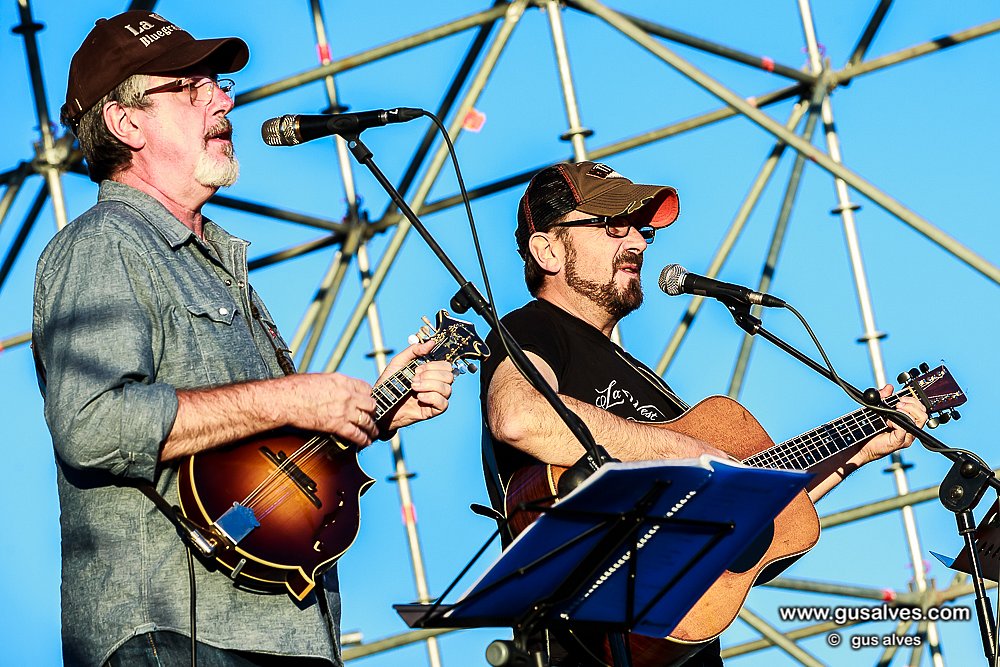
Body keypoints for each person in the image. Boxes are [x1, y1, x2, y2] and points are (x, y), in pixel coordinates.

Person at [33, 11, 456, 667]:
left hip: (282, 632)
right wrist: (288, 398)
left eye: (219, 84)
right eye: (190, 86)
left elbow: (259, 452)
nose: (223, 96)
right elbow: (92, 424)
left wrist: (372, 408)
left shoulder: (224, 270)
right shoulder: (103, 243)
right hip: (172, 632)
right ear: (126, 123)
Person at [478, 161, 929, 666]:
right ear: (548, 250)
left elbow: (750, 506)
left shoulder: (649, 385)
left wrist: (856, 450)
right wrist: (686, 451)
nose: (638, 244)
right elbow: (519, 417)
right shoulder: (532, 329)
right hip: (578, 651)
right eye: (611, 227)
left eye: (642, 231)